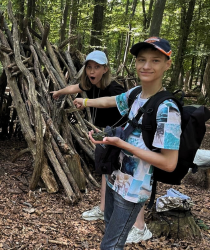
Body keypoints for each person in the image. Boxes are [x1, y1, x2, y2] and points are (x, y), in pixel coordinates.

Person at [74, 37, 180, 249]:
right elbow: (111, 101)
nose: (146, 66)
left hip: (133, 190)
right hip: (115, 178)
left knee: (110, 246)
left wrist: (122, 145)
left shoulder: (167, 109)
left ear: (167, 64)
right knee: (109, 235)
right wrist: (85, 102)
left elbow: (169, 163)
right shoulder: (135, 94)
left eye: (155, 60)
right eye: (141, 60)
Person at [53, 50, 152, 244]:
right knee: (106, 171)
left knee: (130, 177)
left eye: (97, 67)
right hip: (105, 135)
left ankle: (140, 227)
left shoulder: (114, 89)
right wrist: (59, 92)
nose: (92, 70)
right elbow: (76, 88)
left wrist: (88, 102)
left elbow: (115, 104)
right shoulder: (89, 85)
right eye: (89, 67)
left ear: (105, 69)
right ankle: (103, 208)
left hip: (122, 136)